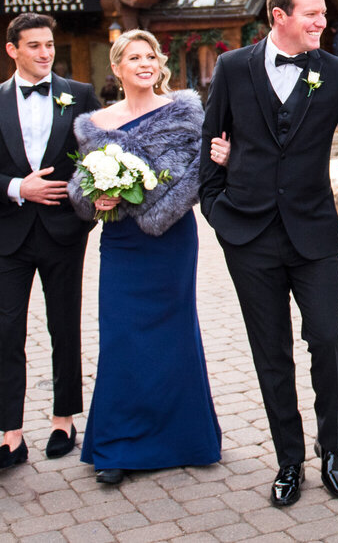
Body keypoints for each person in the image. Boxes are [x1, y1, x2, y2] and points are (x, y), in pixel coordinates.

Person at [199, 0, 338, 508]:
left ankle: (333, 449)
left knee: (326, 340)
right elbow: (211, 144)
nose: (322, 23)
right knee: (270, 353)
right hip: (247, 234)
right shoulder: (232, 68)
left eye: (323, 14)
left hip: (314, 234)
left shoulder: (337, 73)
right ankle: (289, 460)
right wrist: (219, 213)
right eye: (311, 14)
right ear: (279, 17)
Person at [66, 30, 220, 486]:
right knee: (120, 336)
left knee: (173, 334)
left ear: (160, 64)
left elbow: (198, 171)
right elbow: (80, 185)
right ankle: (117, 446)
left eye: (150, 55)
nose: (144, 63)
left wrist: (153, 205)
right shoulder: (94, 124)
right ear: (116, 68)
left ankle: (184, 441)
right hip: (120, 244)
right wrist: (98, 197)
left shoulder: (185, 111)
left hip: (170, 239)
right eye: (133, 57)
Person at [0, 13, 101, 471]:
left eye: (50, 45)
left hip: (63, 231)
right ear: (12, 49)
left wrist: (85, 214)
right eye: (34, 45)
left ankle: (63, 419)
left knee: (65, 326)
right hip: (7, 233)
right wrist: (17, 187)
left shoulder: (80, 96)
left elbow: (96, 160)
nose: (44, 53)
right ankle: (10, 434)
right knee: (7, 332)